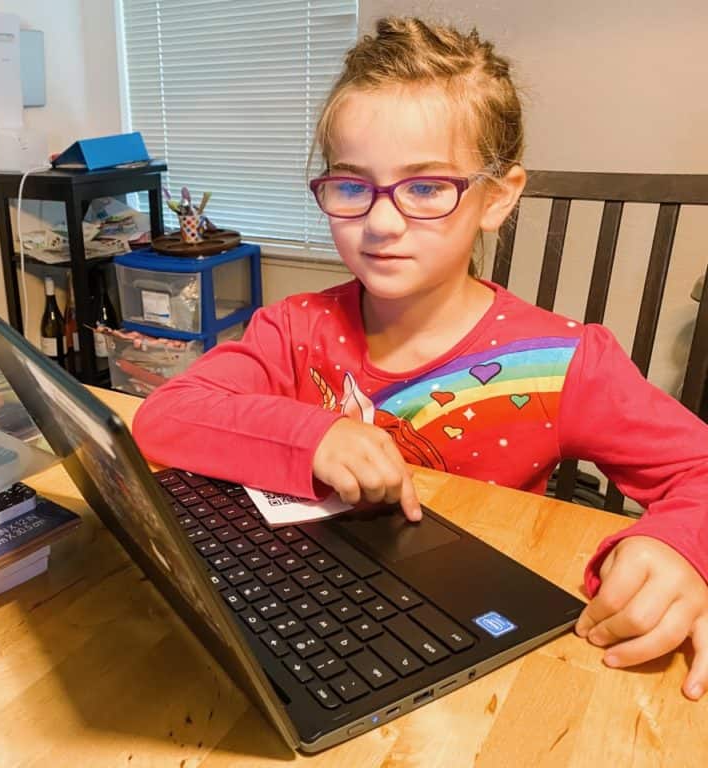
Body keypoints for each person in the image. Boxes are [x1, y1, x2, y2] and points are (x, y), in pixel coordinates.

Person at [132, 17, 708, 700]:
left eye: (427, 188)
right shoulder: (294, 327)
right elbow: (164, 417)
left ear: (496, 197)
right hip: (327, 626)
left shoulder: (560, 361)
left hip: (480, 654)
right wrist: (315, 433)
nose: (380, 222)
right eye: (351, 185)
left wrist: (679, 547)